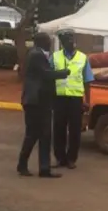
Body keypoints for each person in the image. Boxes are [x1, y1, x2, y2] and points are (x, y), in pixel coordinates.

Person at [17, 32, 70, 178]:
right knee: (33, 134)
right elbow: (46, 74)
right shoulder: (36, 55)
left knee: (45, 135)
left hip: (42, 100)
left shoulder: (37, 53)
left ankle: (44, 168)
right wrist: (64, 72)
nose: (50, 42)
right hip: (35, 101)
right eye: (48, 40)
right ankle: (22, 164)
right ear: (41, 42)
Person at [51, 29, 94, 170]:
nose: (72, 43)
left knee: (75, 130)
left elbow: (87, 81)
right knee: (59, 129)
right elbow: (49, 77)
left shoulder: (82, 58)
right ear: (63, 43)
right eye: (68, 40)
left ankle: (71, 159)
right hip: (59, 98)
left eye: (73, 40)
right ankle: (60, 158)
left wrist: (87, 100)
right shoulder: (55, 57)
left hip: (76, 99)